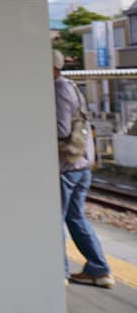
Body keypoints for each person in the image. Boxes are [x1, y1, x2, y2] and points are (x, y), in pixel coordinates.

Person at [53, 50, 114, 288]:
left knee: (55, 218)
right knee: (76, 217)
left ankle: (60, 272)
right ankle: (99, 270)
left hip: (66, 165)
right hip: (81, 162)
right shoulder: (72, 86)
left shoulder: (58, 89)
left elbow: (60, 130)